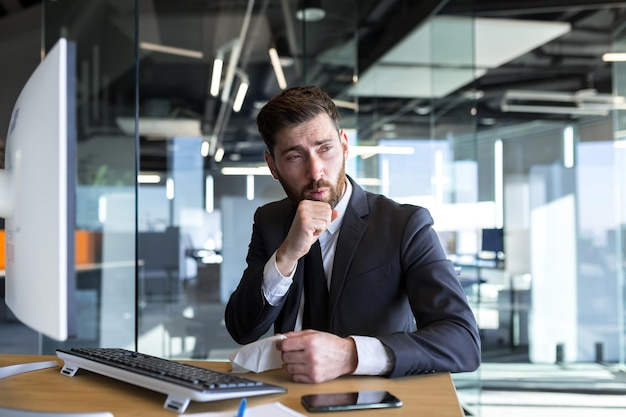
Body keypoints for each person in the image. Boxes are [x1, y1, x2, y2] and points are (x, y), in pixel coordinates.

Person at [224, 85, 481, 383]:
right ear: (273, 166)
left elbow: (462, 342)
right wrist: (286, 255)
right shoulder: (270, 221)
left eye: (325, 148)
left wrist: (350, 354)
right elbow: (242, 329)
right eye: (295, 156)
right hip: (287, 395)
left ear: (344, 144)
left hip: (373, 403)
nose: (316, 171)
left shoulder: (404, 224)